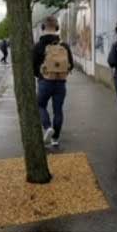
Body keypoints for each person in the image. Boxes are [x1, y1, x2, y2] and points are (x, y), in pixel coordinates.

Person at [33, 15, 74, 147]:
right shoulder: (64, 46)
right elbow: (71, 65)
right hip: (61, 83)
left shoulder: (38, 46)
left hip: (44, 81)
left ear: (43, 27)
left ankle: (47, 126)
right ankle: (55, 138)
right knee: (58, 110)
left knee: (40, 105)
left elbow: (33, 66)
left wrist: (40, 75)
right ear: (57, 28)